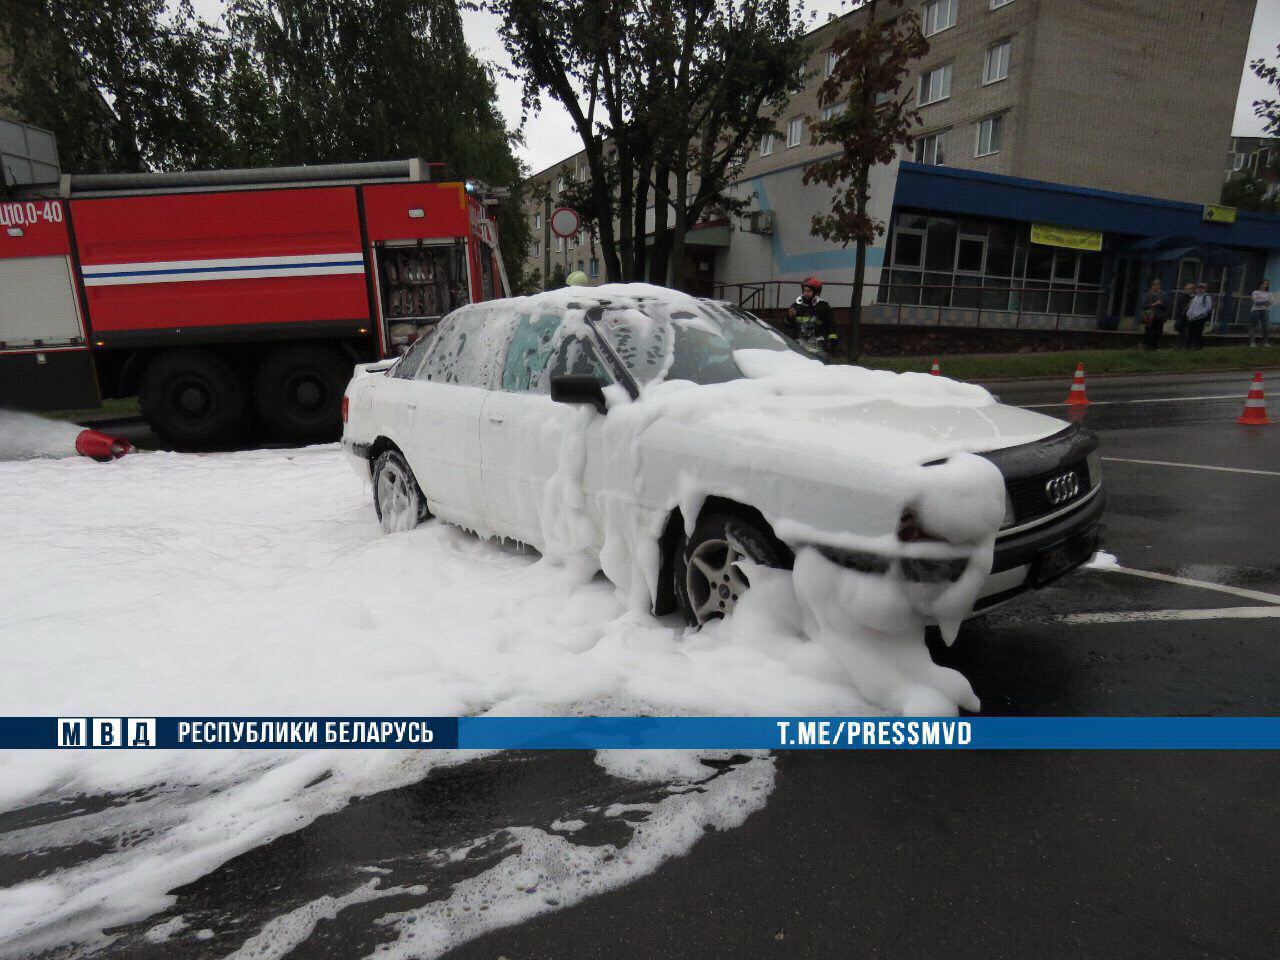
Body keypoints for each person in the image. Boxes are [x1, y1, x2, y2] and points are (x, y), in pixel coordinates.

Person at [786, 276, 837, 355]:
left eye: (808, 291)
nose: (805, 293)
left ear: (816, 292)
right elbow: (786, 325)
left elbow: (831, 326)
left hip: (818, 345)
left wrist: (832, 342)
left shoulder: (823, 306)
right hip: (798, 345)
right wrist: (789, 317)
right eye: (804, 290)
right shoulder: (796, 305)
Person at [1139, 278, 1169, 350]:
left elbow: (1167, 305)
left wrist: (1161, 304)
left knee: (1158, 332)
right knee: (1149, 332)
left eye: (1158, 285)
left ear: (1160, 286)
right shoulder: (1147, 294)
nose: (1156, 287)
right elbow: (1143, 306)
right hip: (1149, 316)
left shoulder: (1163, 294)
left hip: (1159, 316)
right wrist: (1152, 304)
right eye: (1154, 285)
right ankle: (1147, 346)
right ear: (1152, 286)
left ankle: (1155, 347)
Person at [1184, 282, 1213, 351]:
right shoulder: (1195, 297)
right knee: (1189, 333)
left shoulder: (1206, 297)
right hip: (1191, 318)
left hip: (1199, 319)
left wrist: (1199, 314)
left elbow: (1208, 308)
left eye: (1202, 288)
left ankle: (1198, 347)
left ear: (1205, 289)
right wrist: (1188, 314)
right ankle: (1188, 347)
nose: (1200, 289)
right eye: (1199, 288)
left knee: (1198, 333)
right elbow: (1191, 307)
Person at [1249, 278, 1272, 347]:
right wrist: (1265, 301)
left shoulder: (1269, 293)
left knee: (1265, 327)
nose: (1265, 285)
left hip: (1266, 310)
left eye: (1266, 284)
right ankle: (1252, 343)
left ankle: (1265, 342)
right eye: (1263, 283)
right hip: (1256, 310)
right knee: (1253, 326)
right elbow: (1256, 302)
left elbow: (1270, 302)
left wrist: (1261, 300)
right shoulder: (1255, 292)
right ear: (1260, 284)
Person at [1173, 281, 1195, 349]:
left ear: (1192, 290)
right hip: (1182, 317)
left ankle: (1187, 346)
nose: (1187, 290)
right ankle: (1179, 346)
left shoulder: (1195, 298)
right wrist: (1177, 317)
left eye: (1189, 289)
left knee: (1189, 333)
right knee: (1181, 333)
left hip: (1190, 318)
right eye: (1186, 289)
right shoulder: (1182, 297)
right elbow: (1178, 307)